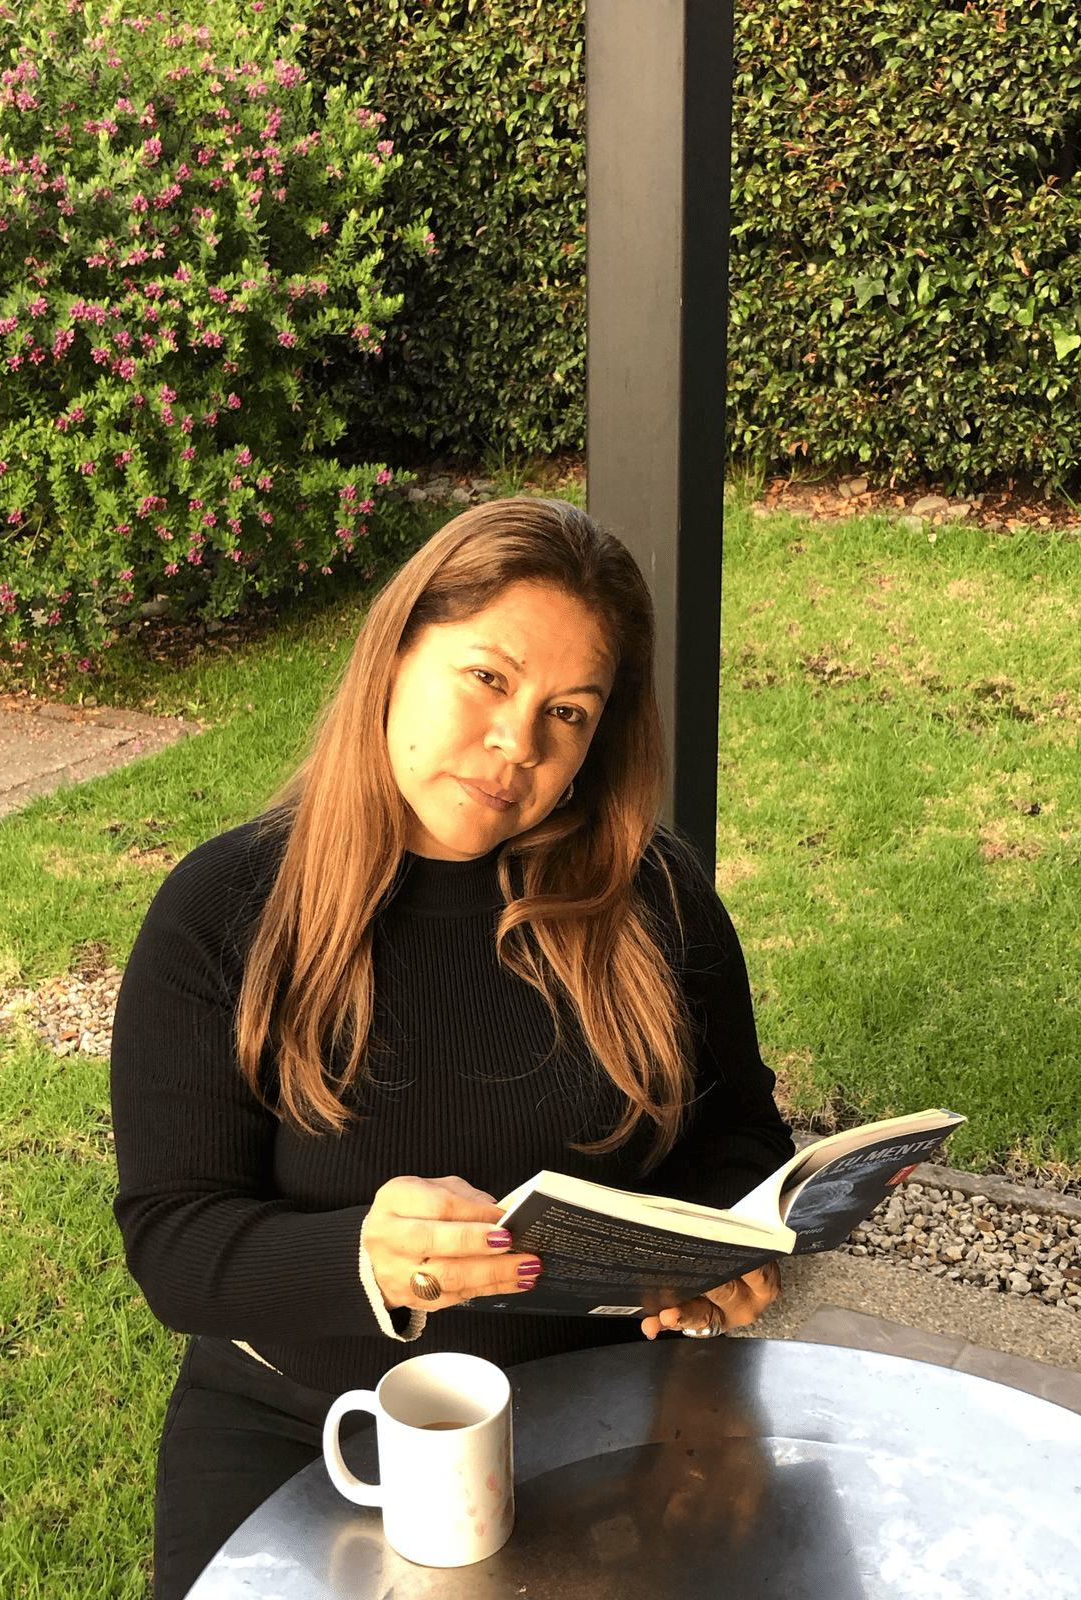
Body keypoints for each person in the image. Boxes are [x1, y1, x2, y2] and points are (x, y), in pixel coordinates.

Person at [110, 496, 793, 1599]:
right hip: (303, 1429)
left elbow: (738, 1133)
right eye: (488, 677)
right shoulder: (224, 910)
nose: (516, 743)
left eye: (568, 713)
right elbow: (173, 1239)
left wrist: (729, 1244)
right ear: (397, 651)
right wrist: (361, 1257)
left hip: (611, 1422)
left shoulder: (655, 898)